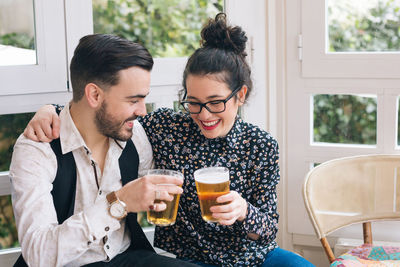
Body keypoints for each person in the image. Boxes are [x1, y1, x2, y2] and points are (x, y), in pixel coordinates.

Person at [24, 14, 315, 267]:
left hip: (254, 256)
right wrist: (51, 110)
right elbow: (95, 113)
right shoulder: (167, 127)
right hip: (192, 257)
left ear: (240, 95)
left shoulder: (260, 145)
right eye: (193, 102)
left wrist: (244, 211)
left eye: (215, 102)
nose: (204, 114)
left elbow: (267, 230)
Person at [10, 33, 198, 267]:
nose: (142, 111)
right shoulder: (37, 150)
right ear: (94, 94)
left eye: (144, 99)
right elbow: (39, 256)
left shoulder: (135, 134)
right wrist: (118, 204)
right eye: (133, 100)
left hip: (127, 258)